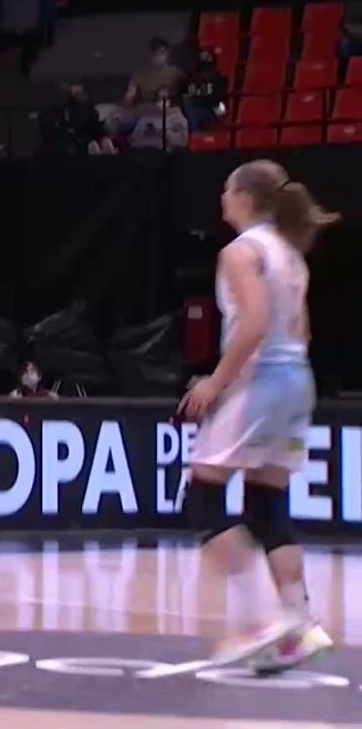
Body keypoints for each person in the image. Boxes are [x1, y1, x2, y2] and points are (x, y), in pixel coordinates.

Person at [179, 159, 338, 671]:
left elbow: (253, 325)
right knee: (267, 506)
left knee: (202, 496)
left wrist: (215, 384)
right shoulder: (291, 255)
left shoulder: (240, 252)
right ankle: (300, 623)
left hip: (263, 381)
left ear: (245, 196)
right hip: (298, 382)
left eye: (227, 189)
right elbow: (302, 333)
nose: (221, 197)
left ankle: (259, 620)